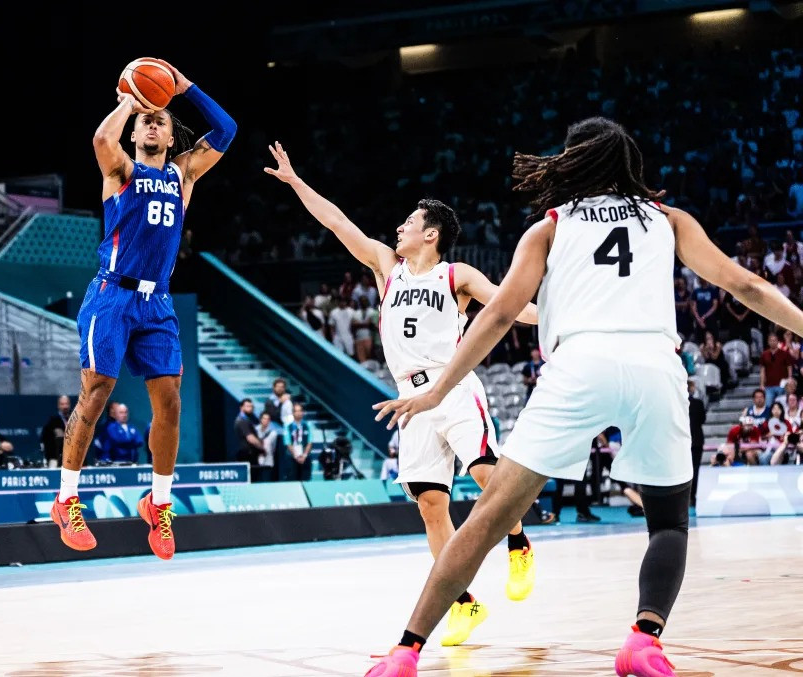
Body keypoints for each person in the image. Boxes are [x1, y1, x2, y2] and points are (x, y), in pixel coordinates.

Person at [366, 117, 803, 677]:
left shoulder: (548, 227)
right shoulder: (668, 219)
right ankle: (643, 640)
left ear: (570, 161)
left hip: (577, 368)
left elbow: (498, 315)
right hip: (655, 367)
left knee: (487, 518)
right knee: (669, 524)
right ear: (628, 163)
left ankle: (406, 651)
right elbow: (747, 285)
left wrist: (438, 392)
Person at [265, 141, 539, 647]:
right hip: (409, 400)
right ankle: (463, 603)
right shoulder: (386, 267)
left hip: (452, 385)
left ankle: (518, 543)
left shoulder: (456, 275)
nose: (399, 227)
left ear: (430, 234)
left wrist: (561, 321)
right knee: (431, 506)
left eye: (409, 222)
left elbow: (512, 307)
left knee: (485, 474)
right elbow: (337, 223)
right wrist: (296, 182)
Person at [55, 59, 235, 558]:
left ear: (172, 137)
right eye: (145, 121)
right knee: (95, 394)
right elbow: (100, 140)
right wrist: (130, 102)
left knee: (171, 402)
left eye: (161, 121)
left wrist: (185, 87)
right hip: (112, 294)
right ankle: (66, 499)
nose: (153, 125)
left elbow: (226, 129)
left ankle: (159, 504)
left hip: (157, 300)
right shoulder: (120, 170)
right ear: (134, 133)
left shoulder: (183, 174)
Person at [687, 380, 706, 508]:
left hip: (682, 441)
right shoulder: (698, 403)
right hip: (696, 440)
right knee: (695, 469)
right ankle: (693, 497)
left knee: (683, 470)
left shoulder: (677, 404)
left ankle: (684, 498)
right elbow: (702, 419)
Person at [284, 403, 312, 481]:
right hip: (292, 457)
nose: (298, 413)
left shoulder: (308, 425)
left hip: (305, 457)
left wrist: (304, 456)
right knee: (292, 480)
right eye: (296, 411)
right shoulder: (288, 426)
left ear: (303, 412)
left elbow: (310, 442)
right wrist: (296, 456)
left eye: (300, 411)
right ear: (293, 413)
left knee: (305, 480)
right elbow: (288, 443)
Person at [40, 395, 70, 468]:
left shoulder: (75, 419)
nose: (65, 406)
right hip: (55, 457)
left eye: (66, 404)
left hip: (72, 456)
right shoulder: (52, 421)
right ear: (58, 406)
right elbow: (44, 438)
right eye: (62, 404)